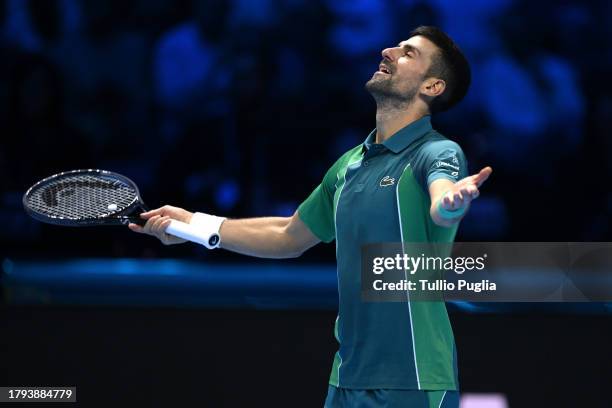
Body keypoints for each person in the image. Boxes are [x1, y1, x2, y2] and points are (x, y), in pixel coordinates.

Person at [129, 25, 492, 408]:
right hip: (347, 377)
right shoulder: (349, 165)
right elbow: (289, 235)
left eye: (407, 53)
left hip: (414, 380)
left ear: (432, 87)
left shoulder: (436, 151)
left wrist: (449, 202)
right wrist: (194, 225)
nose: (387, 51)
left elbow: (442, 195)